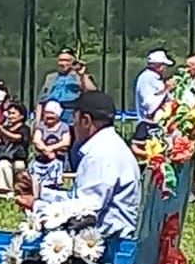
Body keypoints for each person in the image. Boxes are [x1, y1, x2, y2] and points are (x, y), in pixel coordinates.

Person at [17, 91, 141, 240]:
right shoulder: (108, 146)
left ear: (86, 121)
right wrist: (40, 192)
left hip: (104, 247)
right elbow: (77, 199)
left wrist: (36, 206)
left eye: (74, 119)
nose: (73, 125)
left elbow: (84, 212)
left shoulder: (101, 155)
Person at [0, 101, 32, 192]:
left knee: (4, 164)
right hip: (1, 156)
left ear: (21, 116)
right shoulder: (4, 127)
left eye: (13, 113)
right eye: (9, 113)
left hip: (16, 159)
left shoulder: (25, 129)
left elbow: (15, 138)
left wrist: (0, 129)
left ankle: (5, 192)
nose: (10, 116)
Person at [39, 49, 97, 124]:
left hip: (71, 117)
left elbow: (92, 92)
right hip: (51, 118)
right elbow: (41, 101)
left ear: (73, 62)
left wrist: (83, 74)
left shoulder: (79, 76)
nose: (63, 63)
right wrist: (38, 123)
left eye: (67, 60)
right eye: (61, 60)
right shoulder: (50, 77)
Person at [28, 101, 72, 190]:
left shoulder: (64, 127)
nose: (48, 116)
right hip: (42, 156)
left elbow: (66, 142)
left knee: (56, 165)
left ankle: (52, 186)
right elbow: (36, 140)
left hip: (59, 157)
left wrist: (51, 149)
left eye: (51, 113)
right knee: (33, 166)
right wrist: (46, 150)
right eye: (46, 113)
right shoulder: (41, 126)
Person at [133, 50, 175, 142]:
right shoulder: (147, 78)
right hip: (150, 125)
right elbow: (149, 104)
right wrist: (167, 89)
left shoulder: (153, 78)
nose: (165, 68)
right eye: (164, 65)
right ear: (158, 65)